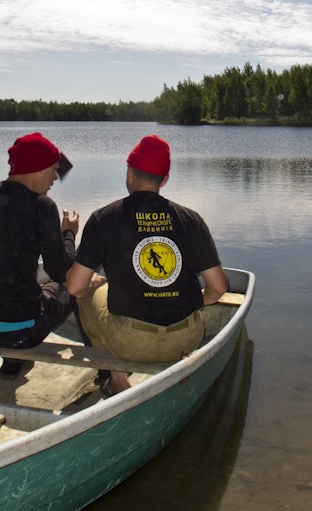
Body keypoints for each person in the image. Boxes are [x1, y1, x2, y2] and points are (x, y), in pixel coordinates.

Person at [66, 135, 229, 394]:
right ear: (164, 180)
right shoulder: (191, 219)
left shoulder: (104, 218)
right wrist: (201, 300)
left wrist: (89, 288)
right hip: (186, 338)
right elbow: (219, 287)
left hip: (130, 343)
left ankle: (117, 378)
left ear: (129, 172)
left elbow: (74, 287)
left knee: (85, 293)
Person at [0, 132, 80, 377]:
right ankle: (106, 369)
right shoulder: (42, 205)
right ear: (37, 168)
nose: (55, 177)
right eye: (53, 170)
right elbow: (62, 271)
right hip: (23, 330)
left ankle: (12, 363)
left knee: (17, 287)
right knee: (77, 285)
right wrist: (68, 234)